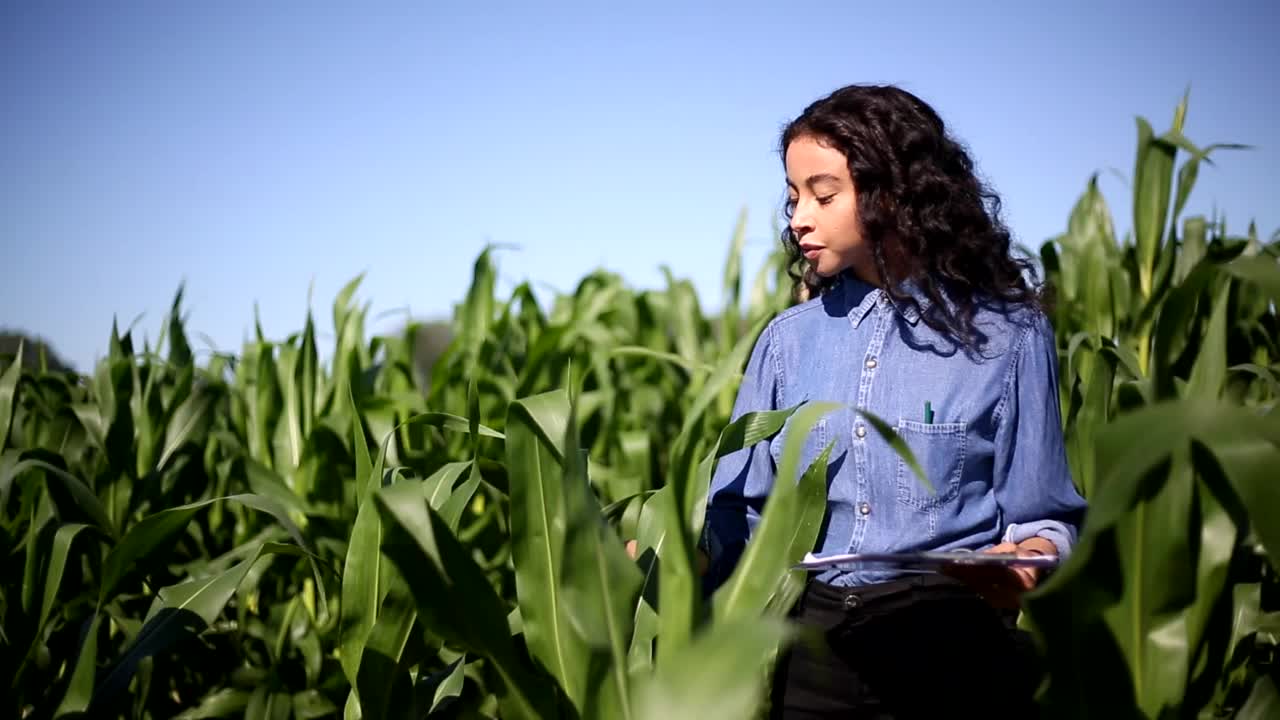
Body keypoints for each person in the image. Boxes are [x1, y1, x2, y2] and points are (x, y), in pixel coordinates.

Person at [699, 84, 1089, 718]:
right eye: (795, 197)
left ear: (893, 194)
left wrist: (1026, 562)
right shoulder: (785, 344)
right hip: (809, 657)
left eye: (823, 196)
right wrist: (662, 556)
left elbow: (1045, 517)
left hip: (950, 657)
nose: (799, 216)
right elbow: (737, 519)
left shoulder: (1009, 337)